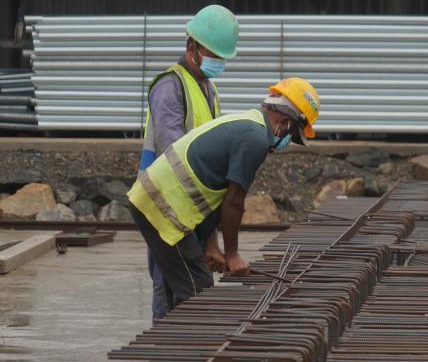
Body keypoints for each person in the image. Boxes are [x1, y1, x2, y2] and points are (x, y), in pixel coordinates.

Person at [128, 78, 320, 313]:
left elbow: (215, 194)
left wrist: (211, 246)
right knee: (197, 289)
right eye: (293, 135)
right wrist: (233, 255)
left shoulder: (248, 123)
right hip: (161, 209)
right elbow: (233, 203)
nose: (288, 142)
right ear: (285, 121)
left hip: (163, 206)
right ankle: (175, 345)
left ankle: (174, 341)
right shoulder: (255, 139)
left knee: (186, 287)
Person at [139, 4, 239, 321]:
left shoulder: (209, 89)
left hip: (191, 212)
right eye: (213, 54)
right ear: (191, 46)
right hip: (166, 211)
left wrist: (210, 239)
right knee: (171, 297)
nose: (217, 62)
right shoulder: (170, 86)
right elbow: (176, 160)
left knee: (192, 296)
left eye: (221, 57)